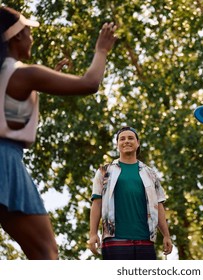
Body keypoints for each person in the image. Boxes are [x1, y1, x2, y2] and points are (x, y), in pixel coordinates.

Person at [0, 6, 117, 259]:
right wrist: (102, 50)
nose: (31, 37)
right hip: (5, 165)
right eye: (29, 31)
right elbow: (89, 83)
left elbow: (8, 109)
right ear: (17, 36)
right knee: (47, 254)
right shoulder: (24, 73)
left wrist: (42, 83)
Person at [88, 126, 173, 260]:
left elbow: (159, 205)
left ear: (138, 143)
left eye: (130, 138)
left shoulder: (150, 174)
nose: (126, 141)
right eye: (122, 139)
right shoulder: (104, 171)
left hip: (145, 241)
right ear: (117, 145)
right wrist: (93, 234)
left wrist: (166, 235)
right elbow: (96, 203)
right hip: (114, 241)